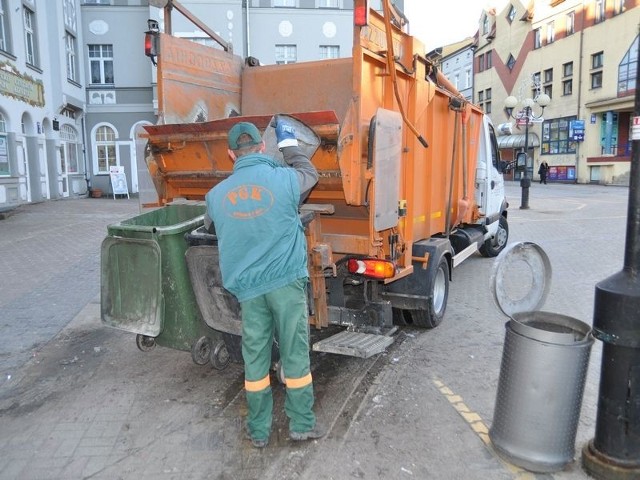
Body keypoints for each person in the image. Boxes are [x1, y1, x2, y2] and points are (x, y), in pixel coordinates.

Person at [205, 118, 324, 449]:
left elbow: (213, 226)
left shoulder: (215, 196)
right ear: (261, 147)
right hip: (285, 284)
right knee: (294, 353)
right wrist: (290, 149)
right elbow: (310, 175)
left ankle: (258, 431)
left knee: (254, 360)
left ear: (231, 154)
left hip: (249, 292)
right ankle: (301, 424)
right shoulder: (285, 180)